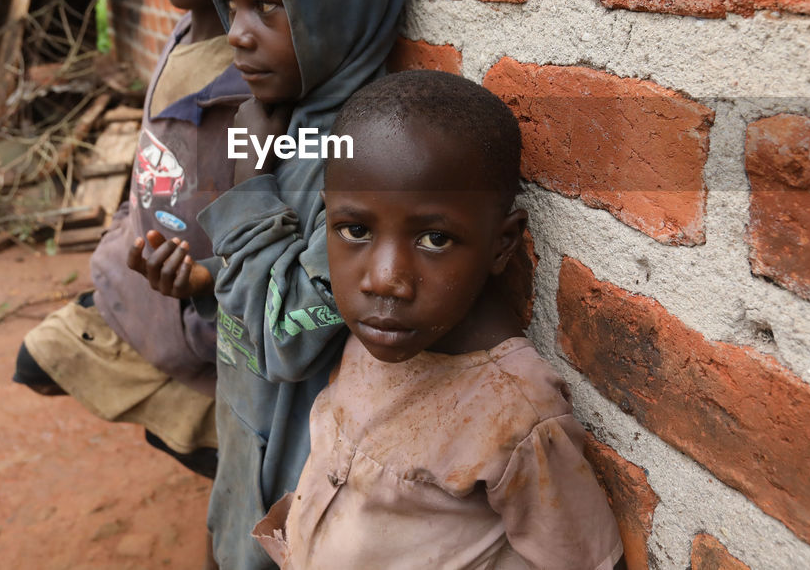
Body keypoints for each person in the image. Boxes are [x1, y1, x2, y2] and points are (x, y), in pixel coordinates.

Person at [136, 0, 412, 569]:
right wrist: (204, 281)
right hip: (247, 439)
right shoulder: (289, 119)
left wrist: (255, 181)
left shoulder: (364, 160)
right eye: (230, 5)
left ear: (340, 2)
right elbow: (261, 291)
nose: (237, 34)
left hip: (294, 478)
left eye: (266, 5)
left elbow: (291, 336)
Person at [251, 70, 627, 570]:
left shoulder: (515, 412)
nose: (385, 281)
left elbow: (586, 560)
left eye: (435, 239)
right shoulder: (373, 333)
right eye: (355, 229)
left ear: (503, 243)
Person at [11, 0, 266, 565]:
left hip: (203, 319)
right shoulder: (182, 34)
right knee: (35, 362)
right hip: (139, 282)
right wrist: (127, 226)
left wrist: (206, 287)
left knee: (236, 487)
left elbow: (264, 218)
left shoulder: (259, 77)